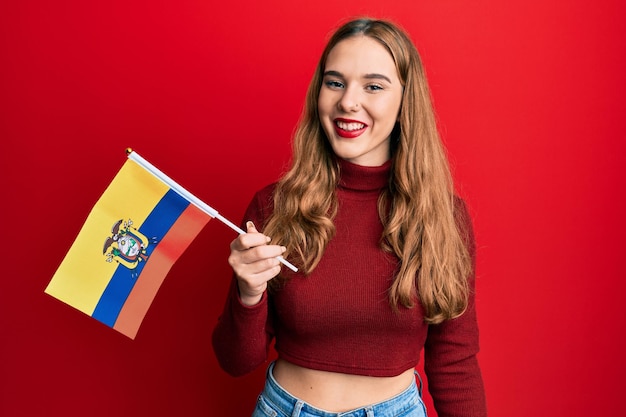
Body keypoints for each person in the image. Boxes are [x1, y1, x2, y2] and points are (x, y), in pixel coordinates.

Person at [212, 17, 487, 417]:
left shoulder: (443, 218)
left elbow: (454, 362)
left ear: (404, 101)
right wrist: (248, 294)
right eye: (335, 82)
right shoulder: (275, 207)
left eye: (373, 86)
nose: (347, 102)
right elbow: (235, 361)